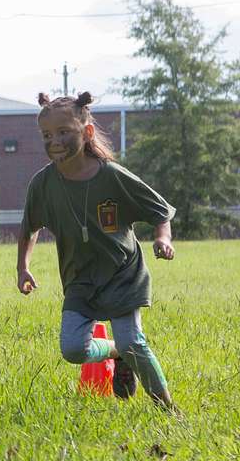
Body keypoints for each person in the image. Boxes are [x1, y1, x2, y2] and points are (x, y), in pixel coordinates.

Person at [17, 91, 177, 410]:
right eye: (47, 135)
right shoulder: (42, 184)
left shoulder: (112, 176)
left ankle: (167, 408)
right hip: (80, 280)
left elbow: (160, 210)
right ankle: (117, 353)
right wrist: (23, 267)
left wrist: (163, 239)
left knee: (134, 340)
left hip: (122, 274)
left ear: (86, 132)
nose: (55, 141)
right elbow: (29, 229)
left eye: (64, 132)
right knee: (73, 349)